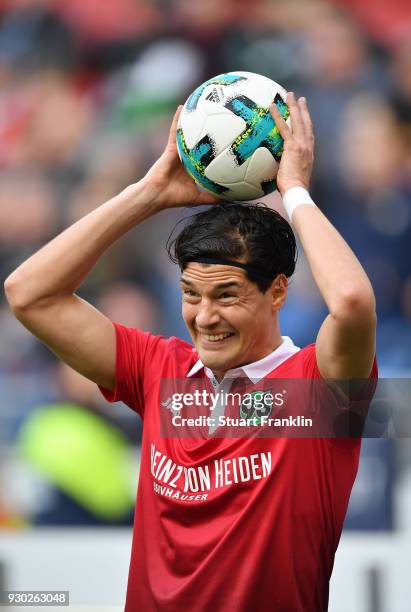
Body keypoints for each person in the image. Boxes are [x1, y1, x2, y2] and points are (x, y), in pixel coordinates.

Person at [5, 92, 377, 611]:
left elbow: (354, 303)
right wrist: (150, 192)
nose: (204, 317)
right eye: (190, 294)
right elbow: (29, 294)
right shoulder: (161, 371)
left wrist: (295, 194)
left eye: (226, 295)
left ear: (277, 291)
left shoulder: (318, 388)